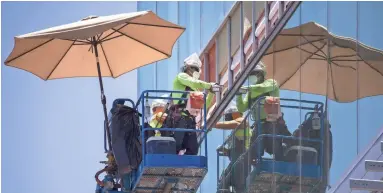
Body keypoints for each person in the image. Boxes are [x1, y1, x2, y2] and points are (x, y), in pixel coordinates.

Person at [163, 53, 217, 155]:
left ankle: (183, 166)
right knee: (175, 146)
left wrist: (211, 92)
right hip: (179, 118)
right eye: (193, 68)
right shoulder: (181, 77)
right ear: (187, 67)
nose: (195, 71)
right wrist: (209, 85)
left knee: (193, 150)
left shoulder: (195, 89)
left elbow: (204, 105)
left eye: (197, 69)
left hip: (190, 121)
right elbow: (192, 82)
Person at [236, 62, 291, 161]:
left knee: (275, 147)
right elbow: (241, 108)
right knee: (253, 153)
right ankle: (255, 165)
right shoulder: (250, 92)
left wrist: (245, 88)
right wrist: (238, 94)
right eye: (251, 74)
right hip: (259, 125)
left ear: (261, 74)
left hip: (273, 123)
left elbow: (262, 88)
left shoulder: (271, 83)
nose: (254, 76)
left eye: (256, 73)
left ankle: (281, 160)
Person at [215, 105, 252, 193]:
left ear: (235, 114)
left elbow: (236, 123)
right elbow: (235, 150)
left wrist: (214, 124)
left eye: (229, 116)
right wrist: (226, 150)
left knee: (239, 186)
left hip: (242, 161)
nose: (228, 119)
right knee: (222, 184)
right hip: (236, 161)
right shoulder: (236, 130)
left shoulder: (243, 121)